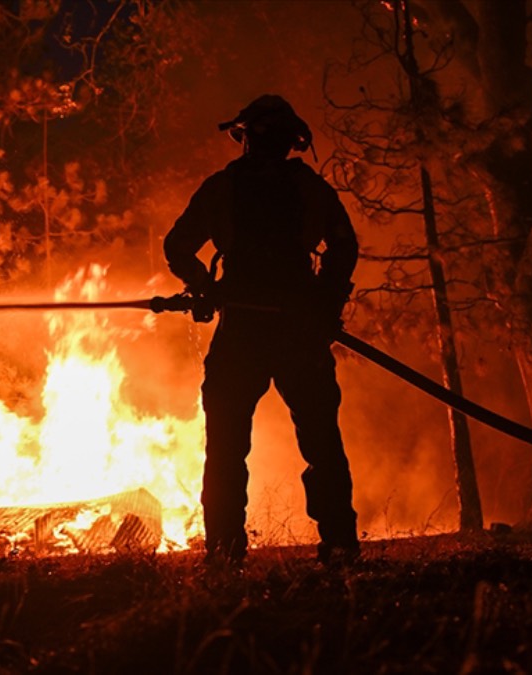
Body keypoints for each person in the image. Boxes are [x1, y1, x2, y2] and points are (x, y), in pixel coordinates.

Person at [164, 94, 360, 567]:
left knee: (227, 448)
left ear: (245, 137)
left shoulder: (223, 188)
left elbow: (178, 246)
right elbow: (343, 246)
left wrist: (204, 287)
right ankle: (339, 545)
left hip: (246, 334)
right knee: (321, 443)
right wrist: (326, 302)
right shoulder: (309, 189)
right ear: (292, 141)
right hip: (299, 331)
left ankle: (224, 551)